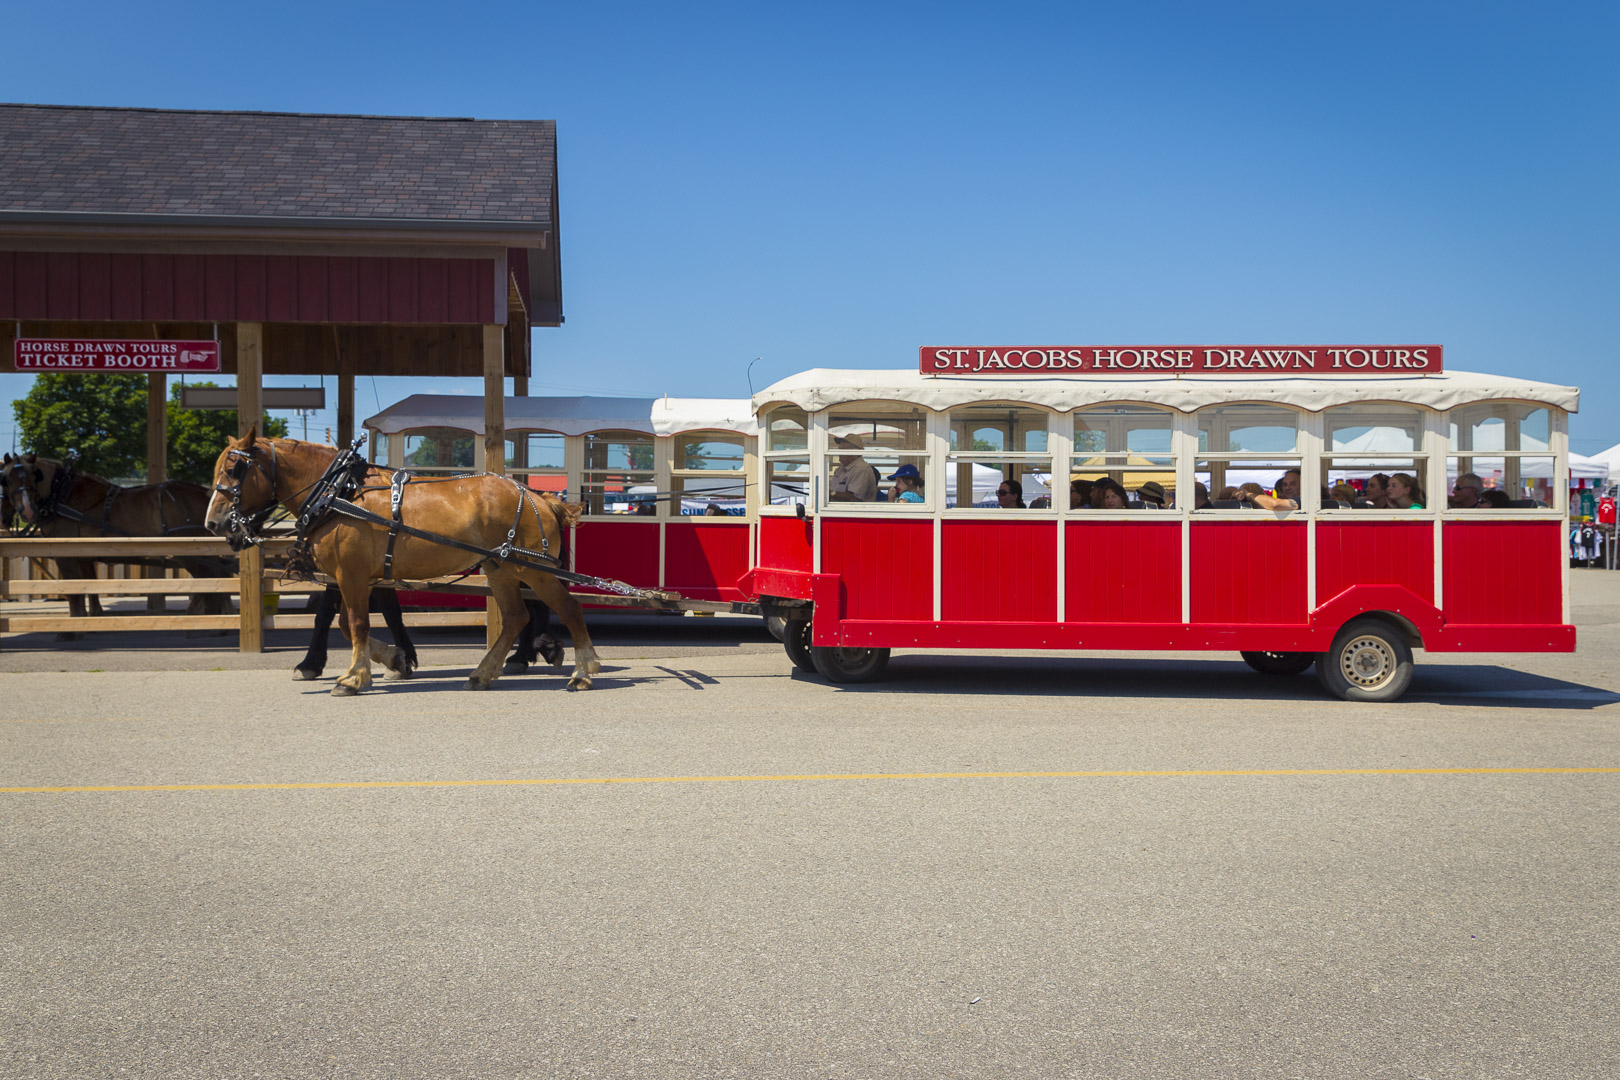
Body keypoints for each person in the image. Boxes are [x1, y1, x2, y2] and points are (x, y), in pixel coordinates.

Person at [830, 435, 877, 502]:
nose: (839, 453)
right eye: (839, 450)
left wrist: (831, 493)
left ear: (854, 452)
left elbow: (854, 497)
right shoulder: (840, 469)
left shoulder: (861, 469)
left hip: (856, 511)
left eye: (843, 450)